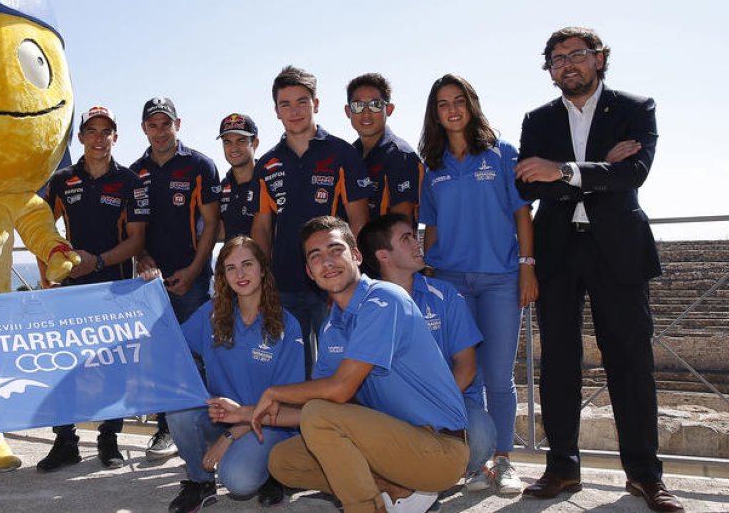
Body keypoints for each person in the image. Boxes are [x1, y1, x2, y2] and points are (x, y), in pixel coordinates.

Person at [515, 27, 681, 512]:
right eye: (557, 58)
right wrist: (595, 170)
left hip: (619, 251)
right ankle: (562, 467)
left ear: (600, 58)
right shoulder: (537, 119)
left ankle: (645, 477)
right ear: (548, 69)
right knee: (560, 363)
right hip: (559, 251)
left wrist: (564, 170)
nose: (568, 64)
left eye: (578, 55)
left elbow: (634, 173)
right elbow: (528, 186)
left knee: (631, 363)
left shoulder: (635, 107)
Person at [209, 216, 468, 513]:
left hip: (439, 449)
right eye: (315, 256)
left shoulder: (383, 299)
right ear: (309, 271)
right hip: (390, 444)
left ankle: (368, 508)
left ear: (356, 255)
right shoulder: (333, 327)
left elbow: (339, 392)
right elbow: (312, 408)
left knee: (322, 415)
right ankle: (397, 490)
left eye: (335, 250)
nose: (327, 262)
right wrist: (245, 413)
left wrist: (275, 392)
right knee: (283, 460)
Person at [417, 73, 536, 495]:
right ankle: (475, 460)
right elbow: (429, 227)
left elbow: (523, 213)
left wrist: (527, 266)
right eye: (443, 103)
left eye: (459, 100)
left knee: (500, 376)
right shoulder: (431, 166)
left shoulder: (502, 154)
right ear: (434, 113)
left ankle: (504, 460)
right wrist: (425, 272)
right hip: (450, 284)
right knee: (466, 375)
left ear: (471, 104)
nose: (452, 109)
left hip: (500, 280)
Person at [36, 105, 149, 472]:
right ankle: (65, 440)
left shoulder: (130, 181)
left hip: (115, 288)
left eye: (106, 132)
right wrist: (46, 275)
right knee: (65, 365)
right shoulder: (62, 180)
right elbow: (41, 230)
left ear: (115, 136)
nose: (99, 139)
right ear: (81, 137)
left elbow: (136, 241)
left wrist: (98, 261)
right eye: (92, 131)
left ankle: (109, 437)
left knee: (112, 367)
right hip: (71, 289)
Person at [357, 213, 496, 491]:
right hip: (392, 412)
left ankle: (429, 471)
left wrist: (429, 410)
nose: (418, 243)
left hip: (450, 403)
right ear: (383, 255)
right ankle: (415, 473)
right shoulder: (364, 307)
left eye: (415, 235)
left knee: (480, 436)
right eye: (406, 238)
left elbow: (466, 367)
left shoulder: (444, 295)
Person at [165, 236, 304, 513]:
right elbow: (170, 346)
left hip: (270, 423)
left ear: (262, 269)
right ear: (223, 275)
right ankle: (200, 482)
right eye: (230, 268)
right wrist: (149, 291)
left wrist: (229, 436)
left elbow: (287, 403)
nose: (240, 274)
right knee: (178, 409)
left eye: (247, 264)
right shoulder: (211, 313)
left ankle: (271, 472)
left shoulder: (288, 325)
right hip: (222, 415)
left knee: (238, 481)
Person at [251, 66, 373, 372]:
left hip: (334, 283)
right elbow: (263, 228)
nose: (295, 111)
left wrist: (359, 279)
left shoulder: (343, 154)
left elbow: (360, 223)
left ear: (316, 104)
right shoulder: (266, 164)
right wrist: (263, 279)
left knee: (337, 367)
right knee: (294, 370)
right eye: (286, 104)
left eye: (302, 101)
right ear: (276, 111)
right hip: (285, 285)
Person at [132, 96, 221, 461]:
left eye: (165, 124)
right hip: (150, 284)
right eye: (152, 125)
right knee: (162, 356)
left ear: (177, 124)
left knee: (200, 354)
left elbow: (212, 224)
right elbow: (133, 231)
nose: (159, 131)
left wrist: (195, 270)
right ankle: (167, 429)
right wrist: (142, 258)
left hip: (194, 278)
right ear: (144, 129)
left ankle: (208, 428)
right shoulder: (134, 172)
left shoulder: (201, 165)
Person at [344, 73, 423, 222]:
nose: (366, 113)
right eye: (358, 105)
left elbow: (401, 226)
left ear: (389, 109)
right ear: (348, 111)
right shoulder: (348, 155)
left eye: (375, 105)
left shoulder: (401, 156)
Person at [216, 113, 261, 242]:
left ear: (255, 143)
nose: (233, 148)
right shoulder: (221, 187)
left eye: (241, 140)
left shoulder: (269, 181)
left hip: (270, 261)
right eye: (227, 142)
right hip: (232, 261)